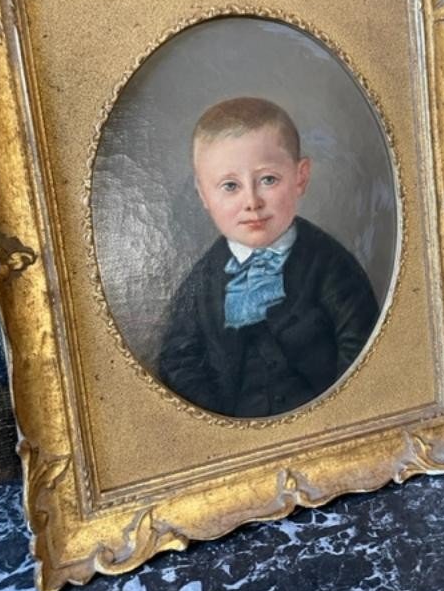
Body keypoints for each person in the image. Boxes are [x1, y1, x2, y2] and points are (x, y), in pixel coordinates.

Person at [158, 97, 379, 418]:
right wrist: (219, 420)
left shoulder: (328, 263)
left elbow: (361, 342)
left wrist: (336, 412)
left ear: (300, 177)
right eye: (230, 186)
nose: (252, 201)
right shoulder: (204, 279)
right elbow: (178, 359)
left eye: (268, 180)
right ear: (203, 194)